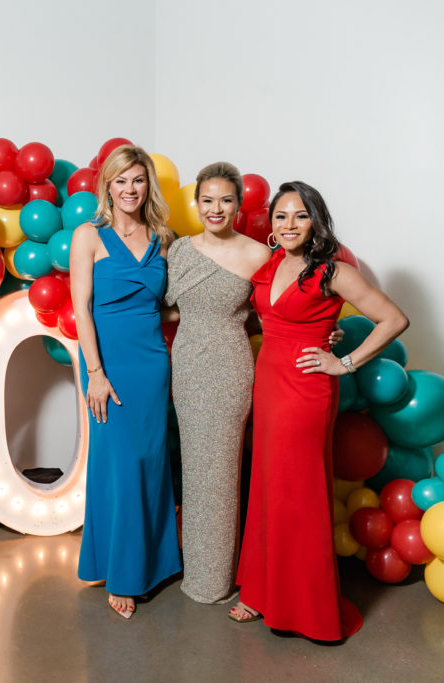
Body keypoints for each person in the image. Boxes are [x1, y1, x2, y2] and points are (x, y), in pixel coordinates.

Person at [230, 181, 408, 640]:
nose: (289, 225)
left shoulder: (332, 271)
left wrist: (342, 362)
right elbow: (270, 318)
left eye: (300, 216)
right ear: (271, 223)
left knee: (297, 494)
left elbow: (394, 318)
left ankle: (303, 609)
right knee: (267, 485)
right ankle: (262, 592)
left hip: (305, 392)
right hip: (268, 385)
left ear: (316, 221)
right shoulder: (268, 266)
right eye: (281, 216)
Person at [70, 145, 182, 619]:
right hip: (107, 365)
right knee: (119, 464)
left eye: (138, 180)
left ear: (147, 185)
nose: (129, 190)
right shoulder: (88, 235)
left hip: (152, 362)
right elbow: (81, 308)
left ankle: (154, 563)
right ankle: (121, 573)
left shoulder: (164, 236)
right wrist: (95, 374)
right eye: (121, 181)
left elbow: (169, 307)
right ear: (107, 187)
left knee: (152, 461)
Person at [164, 162, 270, 604]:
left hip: (230, 368)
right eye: (207, 200)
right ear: (198, 202)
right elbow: (168, 309)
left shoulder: (259, 255)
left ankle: (217, 579)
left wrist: (324, 333)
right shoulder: (180, 250)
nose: (215, 208)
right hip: (188, 367)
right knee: (194, 468)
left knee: (223, 472)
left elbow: (275, 315)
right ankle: (198, 573)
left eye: (225, 200)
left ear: (239, 205)